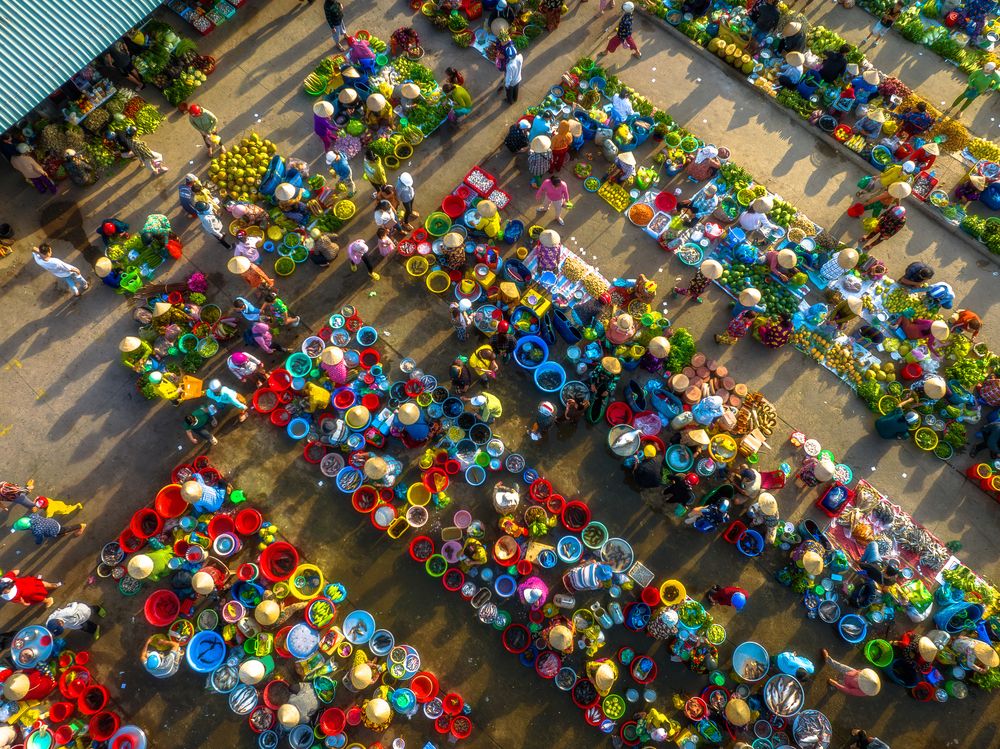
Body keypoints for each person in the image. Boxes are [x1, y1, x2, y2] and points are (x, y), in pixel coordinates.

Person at [9, 514, 86, 546]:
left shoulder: (36, 531)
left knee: (65, 529)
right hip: (51, 522)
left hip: (55, 528)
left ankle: (81, 525)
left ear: (26, 528)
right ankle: (61, 534)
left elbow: (40, 538)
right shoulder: (32, 516)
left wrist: (37, 542)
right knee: (60, 532)